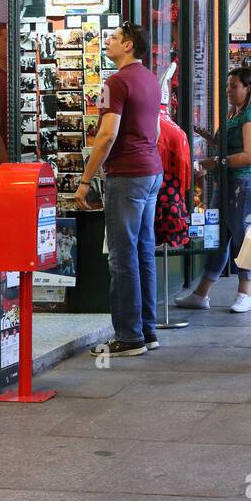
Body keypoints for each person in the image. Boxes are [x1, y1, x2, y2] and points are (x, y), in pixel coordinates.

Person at [77, 22, 164, 357]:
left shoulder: (115, 82)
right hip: (150, 172)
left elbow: (106, 135)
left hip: (126, 174)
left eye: (112, 38)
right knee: (143, 252)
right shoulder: (150, 80)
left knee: (122, 256)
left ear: (128, 45)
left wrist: (85, 179)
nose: (107, 41)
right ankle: (147, 330)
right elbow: (154, 129)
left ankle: (129, 337)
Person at [175, 68, 251, 314]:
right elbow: (231, 148)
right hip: (226, 184)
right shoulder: (235, 113)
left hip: (243, 185)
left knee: (242, 237)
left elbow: (249, 157)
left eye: (233, 86)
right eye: (228, 85)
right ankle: (201, 293)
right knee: (217, 237)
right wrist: (211, 141)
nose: (228, 90)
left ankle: (245, 294)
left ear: (248, 87)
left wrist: (215, 162)